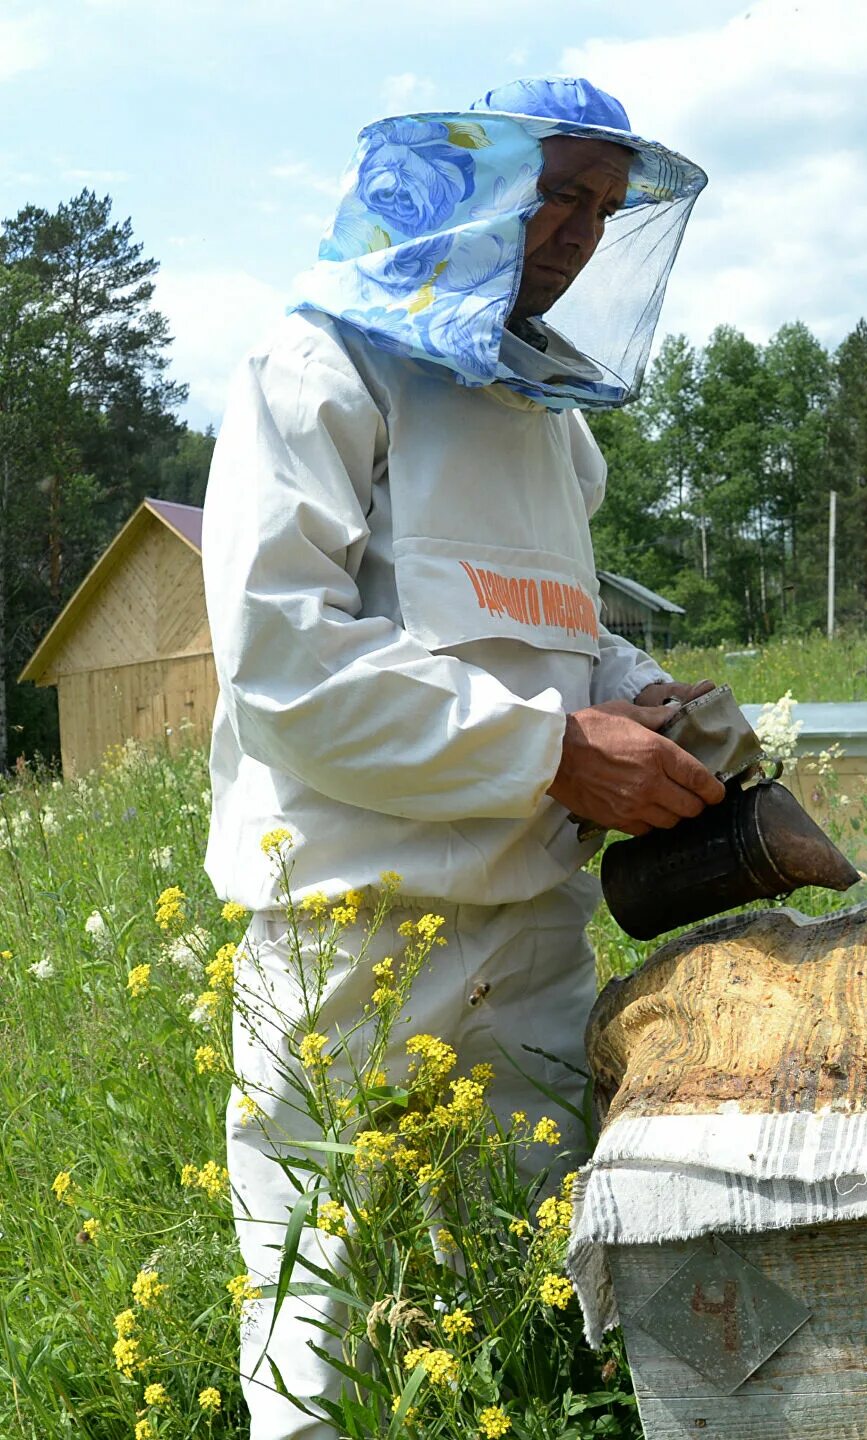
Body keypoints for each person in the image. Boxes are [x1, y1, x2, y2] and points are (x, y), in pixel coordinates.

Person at [201, 77, 724, 1438]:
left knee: (527, 1277)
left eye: (604, 210)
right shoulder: (319, 365)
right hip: (350, 922)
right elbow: (284, 664)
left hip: (531, 919)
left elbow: (557, 624)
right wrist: (554, 754)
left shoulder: (547, 413)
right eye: (558, 192)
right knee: (318, 1283)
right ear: (463, 181)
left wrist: (643, 696)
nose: (579, 235)